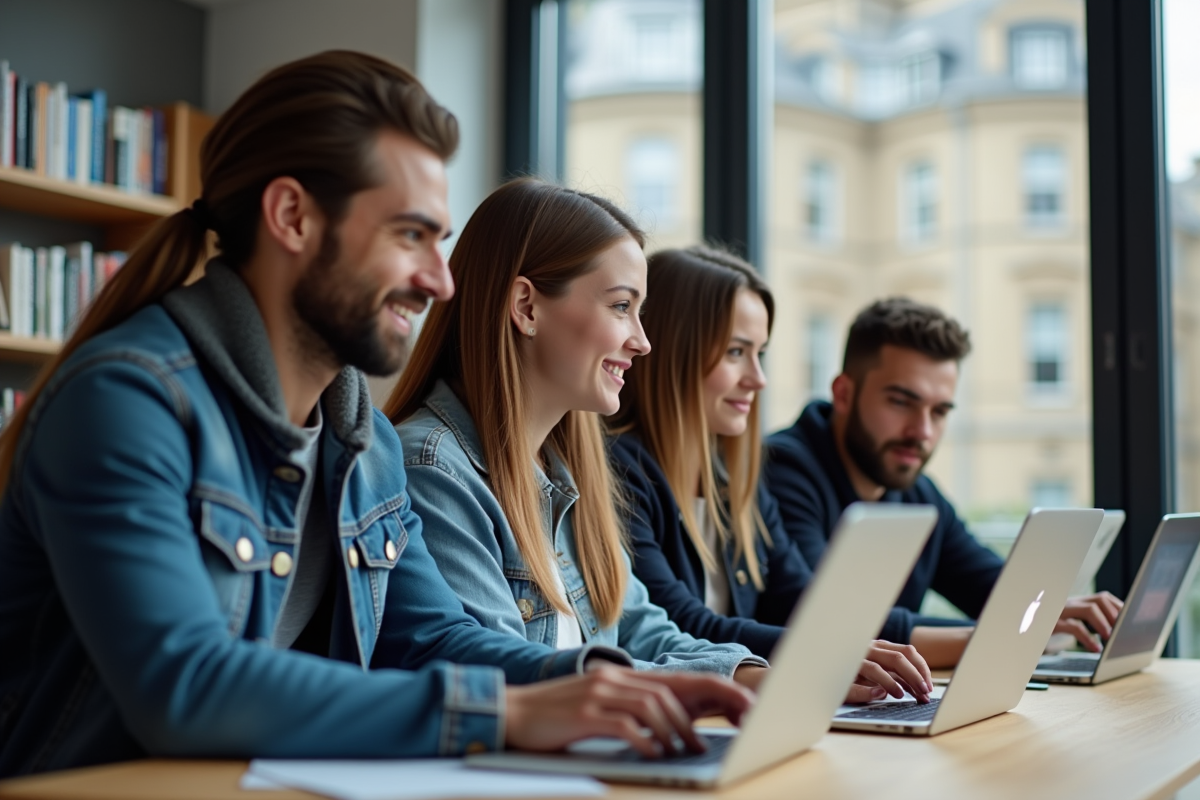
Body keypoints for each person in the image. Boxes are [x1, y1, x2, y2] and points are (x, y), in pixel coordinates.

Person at [0, 52, 752, 778]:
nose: (439, 281)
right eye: (409, 235)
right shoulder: (128, 402)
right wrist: (506, 716)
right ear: (292, 217)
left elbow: (431, 639)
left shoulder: (365, 443)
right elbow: (186, 684)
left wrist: (604, 681)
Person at [386, 179, 797, 693]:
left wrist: (766, 675)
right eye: (622, 307)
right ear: (527, 308)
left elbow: (641, 630)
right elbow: (505, 671)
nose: (642, 342)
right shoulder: (432, 468)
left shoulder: (567, 472)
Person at [607, 246, 932, 702]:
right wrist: (822, 655)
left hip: (733, 704)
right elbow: (682, 623)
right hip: (692, 707)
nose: (758, 378)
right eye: (736, 352)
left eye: (760, 353)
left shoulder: (737, 482)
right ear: (672, 353)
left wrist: (855, 650)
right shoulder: (618, 470)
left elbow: (805, 603)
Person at [763, 297, 1122, 667]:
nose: (922, 432)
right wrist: (1006, 632)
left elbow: (992, 587)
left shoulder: (918, 492)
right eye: (901, 402)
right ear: (843, 394)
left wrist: (1046, 609)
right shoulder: (780, 471)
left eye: (939, 412)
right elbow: (822, 619)